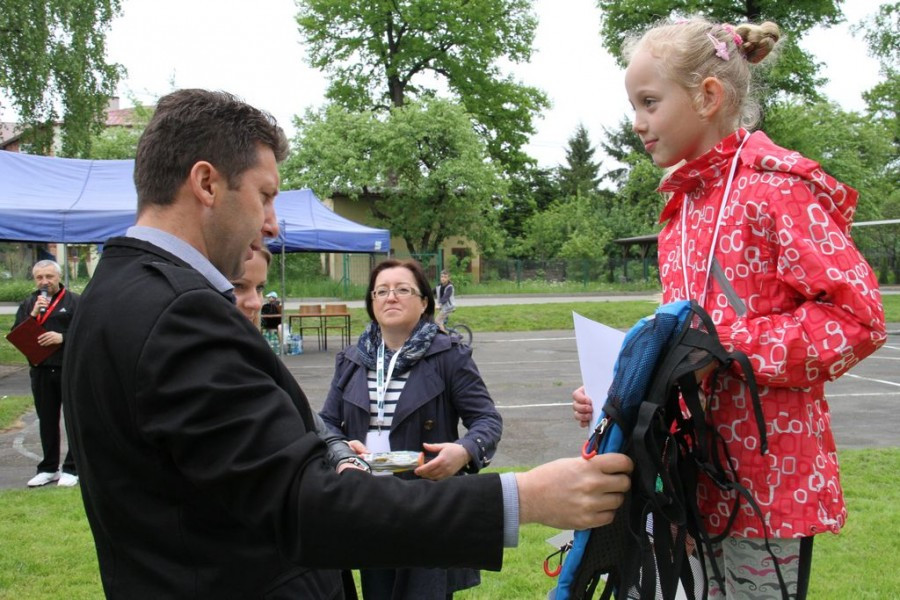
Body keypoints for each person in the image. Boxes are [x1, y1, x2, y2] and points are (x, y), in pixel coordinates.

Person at [62, 88, 632, 598]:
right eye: (265, 195)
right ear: (207, 183)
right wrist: (523, 497)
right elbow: (305, 505)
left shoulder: (108, 295)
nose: (273, 224)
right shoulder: (181, 313)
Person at [572, 17, 886, 598]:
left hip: (768, 484)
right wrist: (622, 394)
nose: (636, 123)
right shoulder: (682, 211)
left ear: (708, 97)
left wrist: (728, 349)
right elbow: (678, 343)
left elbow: (858, 317)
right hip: (690, 480)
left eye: (648, 102)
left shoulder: (777, 188)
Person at [321, 258, 502, 599]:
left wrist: (463, 452)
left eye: (403, 289)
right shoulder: (351, 360)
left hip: (426, 503)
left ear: (423, 303)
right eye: (382, 291)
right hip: (368, 501)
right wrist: (342, 454)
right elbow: (327, 422)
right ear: (372, 303)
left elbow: (487, 420)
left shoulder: (450, 355)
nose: (391, 297)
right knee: (377, 591)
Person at [231, 247, 366, 473]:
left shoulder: (254, 353)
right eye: (239, 286)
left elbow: (316, 426)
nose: (255, 302)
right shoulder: (201, 359)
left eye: (260, 288)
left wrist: (342, 456)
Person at [13, 259, 79, 487]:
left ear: (58, 277)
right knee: (47, 420)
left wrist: (63, 338)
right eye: (40, 277)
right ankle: (48, 468)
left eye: (49, 277)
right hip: (40, 370)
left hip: (68, 369)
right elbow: (17, 335)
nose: (45, 282)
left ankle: (73, 468)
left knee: (73, 419)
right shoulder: (30, 303)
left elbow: (87, 332)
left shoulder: (74, 302)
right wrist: (32, 315)